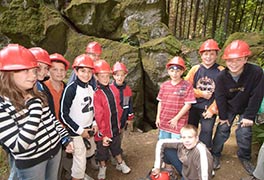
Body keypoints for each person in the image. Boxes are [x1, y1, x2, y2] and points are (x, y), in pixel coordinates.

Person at [0, 44, 73, 180]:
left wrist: (65, 138)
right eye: (26, 71)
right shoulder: (2, 104)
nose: (33, 76)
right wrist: (35, 108)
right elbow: (18, 146)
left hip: (54, 151)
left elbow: (50, 118)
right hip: (33, 162)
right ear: (8, 73)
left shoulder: (36, 92)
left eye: (34, 71)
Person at [211, 40, 264, 175]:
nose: (233, 64)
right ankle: (215, 154)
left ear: (245, 59)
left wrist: (249, 116)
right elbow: (220, 97)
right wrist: (223, 116)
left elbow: (257, 95)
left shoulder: (256, 72)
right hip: (229, 106)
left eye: (238, 60)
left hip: (247, 106)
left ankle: (245, 157)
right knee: (222, 128)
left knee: (244, 132)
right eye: (230, 60)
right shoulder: (221, 76)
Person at [60, 54, 97, 180]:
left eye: (89, 71)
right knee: (80, 163)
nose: (86, 74)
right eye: (82, 71)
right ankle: (78, 176)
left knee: (86, 155)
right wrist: (80, 131)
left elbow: (93, 109)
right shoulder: (71, 89)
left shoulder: (91, 88)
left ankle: (80, 175)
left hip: (87, 130)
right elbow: (63, 115)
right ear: (75, 71)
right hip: (76, 132)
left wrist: (95, 123)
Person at [93, 60, 131, 180]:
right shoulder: (97, 94)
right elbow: (98, 115)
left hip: (115, 126)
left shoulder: (113, 89)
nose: (105, 79)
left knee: (116, 147)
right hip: (103, 130)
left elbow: (119, 108)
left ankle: (120, 163)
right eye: (102, 76)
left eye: (107, 76)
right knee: (102, 152)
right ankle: (102, 167)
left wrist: (120, 123)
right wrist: (104, 134)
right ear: (96, 77)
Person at [185, 39, 224, 149]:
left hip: (209, 109)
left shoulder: (221, 71)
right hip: (193, 107)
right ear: (201, 55)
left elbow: (222, 94)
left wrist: (212, 109)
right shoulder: (195, 69)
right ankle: (190, 151)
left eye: (212, 54)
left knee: (206, 132)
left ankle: (204, 154)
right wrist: (200, 93)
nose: (208, 57)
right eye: (206, 54)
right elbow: (186, 87)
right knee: (190, 130)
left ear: (216, 55)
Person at [155, 56, 196, 140]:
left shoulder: (187, 86)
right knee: (163, 142)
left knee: (177, 142)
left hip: (179, 121)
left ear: (182, 71)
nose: (174, 74)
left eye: (177, 71)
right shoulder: (164, 85)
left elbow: (188, 105)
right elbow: (160, 102)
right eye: (172, 71)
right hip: (164, 119)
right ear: (168, 71)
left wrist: (176, 119)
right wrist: (158, 117)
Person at [44, 53, 69, 121]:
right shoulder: (41, 89)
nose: (59, 72)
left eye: (62, 70)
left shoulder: (68, 90)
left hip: (66, 127)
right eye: (55, 69)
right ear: (48, 71)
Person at [112, 61, 134, 133]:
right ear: (113, 76)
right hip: (112, 122)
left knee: (119, 140)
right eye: (117, 75)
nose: (120, 77)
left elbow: (130, 105)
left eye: (122, 75)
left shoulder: (127, 90)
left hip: (123, 120)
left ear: (125, 75)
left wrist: (130, 118)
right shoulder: (110, 89)